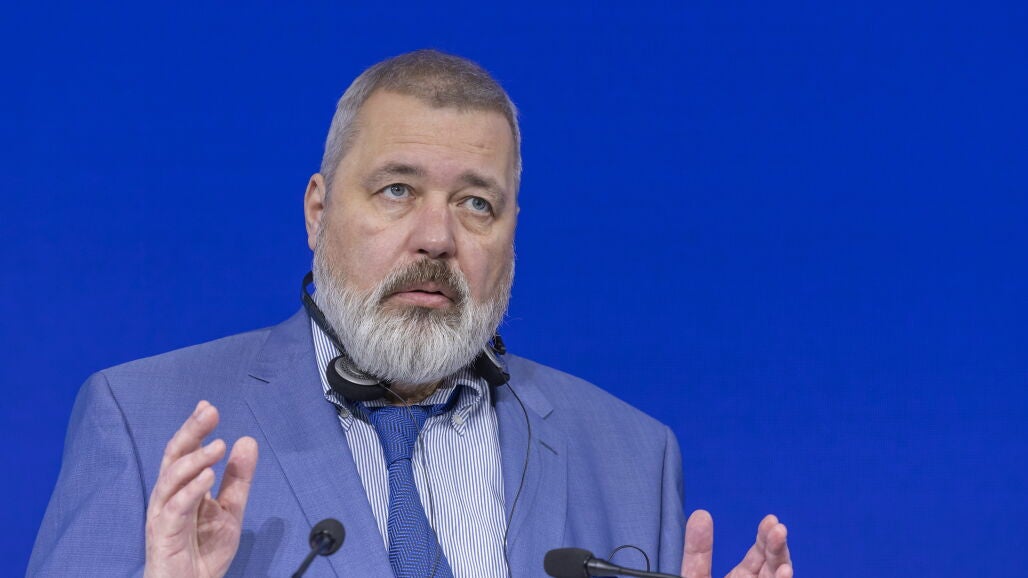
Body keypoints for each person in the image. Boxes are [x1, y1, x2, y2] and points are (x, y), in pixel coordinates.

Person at [28, 50, 792, 578]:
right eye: (397, 190)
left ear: (512, 233)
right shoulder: (141, 421)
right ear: (318, 212)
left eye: (476, 203)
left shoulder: (633, 455)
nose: (437, 237)